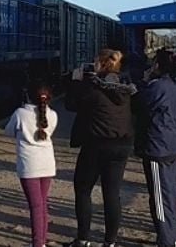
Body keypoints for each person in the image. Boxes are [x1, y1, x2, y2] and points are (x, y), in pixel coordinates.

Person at [64, 49, 137, 247]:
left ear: (102, 64)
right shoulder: (126, 88)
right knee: (112, 194)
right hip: (122, 144)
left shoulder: (92, 88)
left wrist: (76, 81)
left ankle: (83, 239)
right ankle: (110, 242)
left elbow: (70, 104)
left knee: (83, 189)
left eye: (95, 62)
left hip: (96, 144)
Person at [133, 49, 176, 247]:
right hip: (175, 146)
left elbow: (138, 105)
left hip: (157, 147)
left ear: (157, 65)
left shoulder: (156, 88)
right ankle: (172, 234)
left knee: (159, 197)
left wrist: (143, 81)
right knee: (171, 194)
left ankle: (166, 240)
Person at [5, 81, 58, 247]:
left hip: (29, 166)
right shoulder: (53, 115)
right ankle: (41, 241)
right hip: (47, 164)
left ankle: (37, 244)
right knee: (42, 204)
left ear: (28, 96)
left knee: (35, 206)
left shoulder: (20, 113)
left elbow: (8, 131)